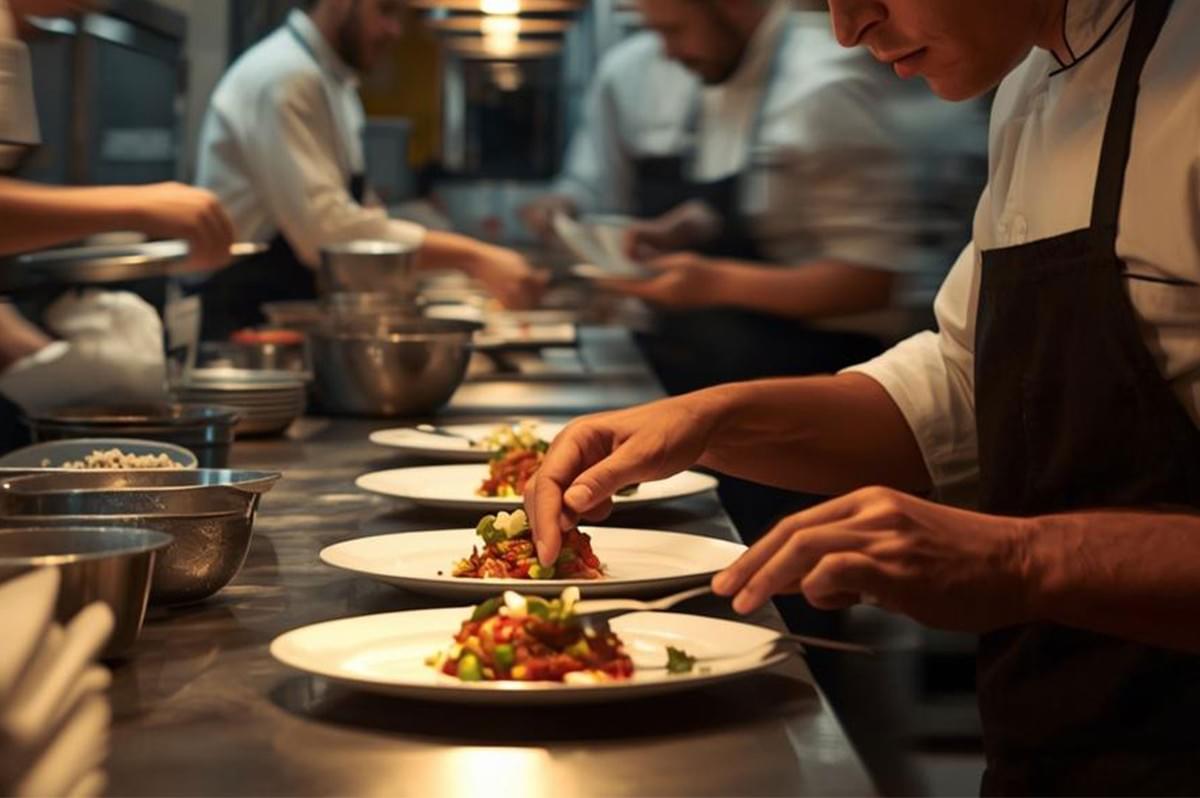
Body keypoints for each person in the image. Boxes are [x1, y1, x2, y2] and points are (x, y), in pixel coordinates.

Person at [525, 0, 1200, 792]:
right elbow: (961, 387)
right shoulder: (1028, 86)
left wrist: (1022, 560)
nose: (850, 28)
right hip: (1063, 741)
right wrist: (707, 420)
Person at [523, 0, 984, 396]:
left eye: (674, 30)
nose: (666, 51)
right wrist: (687, 227)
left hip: (810, 387)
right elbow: (762, 207)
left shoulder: (823, 88)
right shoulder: (712, 68)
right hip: (700, 374)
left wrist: (712, 282)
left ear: (734, 5)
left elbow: (872, 279)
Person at [195, 0, 545, 340]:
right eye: (385, 10)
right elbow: (326, 233)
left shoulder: (333, 84)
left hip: (284, 314)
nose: (395, 31)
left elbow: (359, 213)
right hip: (242, 330)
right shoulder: (285, 78)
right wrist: (472, 258)